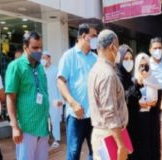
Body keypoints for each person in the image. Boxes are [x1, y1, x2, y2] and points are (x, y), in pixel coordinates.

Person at [5, 31, 50, 160]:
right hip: (26, 128)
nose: (39, 50)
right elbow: (10, 97)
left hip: (43, 126)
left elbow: (44, 93)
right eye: (35, 48)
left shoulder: (40, 67)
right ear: (25, 47)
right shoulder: (16, 66)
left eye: (40, 47)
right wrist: (15, 127)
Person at [57, 23, 98, 160]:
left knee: (96, 152)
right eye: (93, 36)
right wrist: (73, 103)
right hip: (76, 115)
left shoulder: (95, 58)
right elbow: (60, 81)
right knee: (74, 153)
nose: (95, 39)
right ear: (84, 36)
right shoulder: (69, 56)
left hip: (93, 115)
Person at [88, 29, 129, 160]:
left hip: (102, 134)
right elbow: (110, 113)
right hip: (109, 137)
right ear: (112, 47)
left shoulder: (95, 69)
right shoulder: (107, 74)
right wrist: (121, 145)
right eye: (117, 46)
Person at [115, 44, 141, 160]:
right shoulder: (115, 79)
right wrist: (134, 88)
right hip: (121, 130)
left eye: (131, 59)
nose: (129, 62)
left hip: (134, 128)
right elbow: (121, 100)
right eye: (125, 59)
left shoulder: (131, 79)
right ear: (119, 60)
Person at [133, 53, 160, 160]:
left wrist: (151, 103)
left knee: (151, 146)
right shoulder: (134, 80)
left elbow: (156, 100)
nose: (144, 68)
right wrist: (139, 82)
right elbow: (131, 100)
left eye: (146, 65)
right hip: (138, 120)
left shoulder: (153, 79)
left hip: (151, 119)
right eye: (141, 65)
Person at [41, 51, 64, 148]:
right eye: (42, 58)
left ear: (49, 58)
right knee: (44, 120)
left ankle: (56, 139)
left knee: (54, 120)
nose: (43, 60)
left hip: (54, 99)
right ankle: (45, 139)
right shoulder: (40, 70)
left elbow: (60, 86)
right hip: (43, 99)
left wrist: (60, 99)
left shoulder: (56, 70)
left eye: (45, 57)